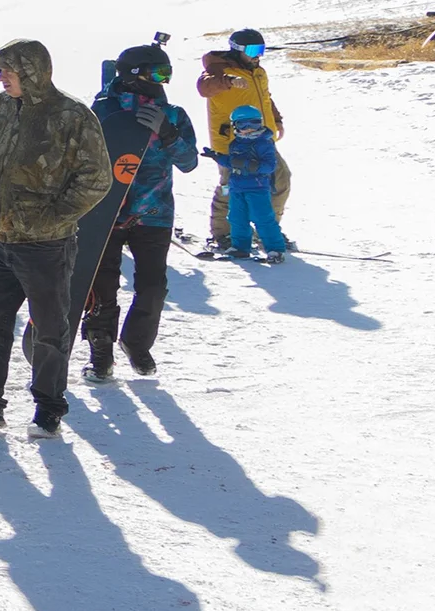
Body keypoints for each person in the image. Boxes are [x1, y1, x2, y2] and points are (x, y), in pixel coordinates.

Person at [0, 39, 112, 438]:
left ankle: (48, 407)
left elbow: (97, 179)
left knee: (49, 329)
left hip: (46, 245)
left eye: (8, 70)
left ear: (32, 70)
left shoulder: (71, 115)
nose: (0, 77)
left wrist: (53, 217)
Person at [82, 45, 198, 382]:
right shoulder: (102, 109)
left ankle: (136, 343)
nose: (163, 81)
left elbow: (189, 162)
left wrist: (168, 134)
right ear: (132, 74)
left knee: (153, 287)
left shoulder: (173, 114)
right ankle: (100, 354)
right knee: (102, 289)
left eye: (167, 74)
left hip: (154, 212)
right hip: (107, 211)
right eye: (158, 73)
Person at [197, 28, 290, 249]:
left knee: (280, 179)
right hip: (232, 143)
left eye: (261, 50)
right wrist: (228, 80)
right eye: (253, 50)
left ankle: (267, 229)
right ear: (238, 50)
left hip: (262, 139)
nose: (258, 55)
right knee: (232, 187)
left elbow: (265, 98)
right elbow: (205, 87)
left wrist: (276, 120)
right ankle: (223, 234)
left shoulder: (259, 73)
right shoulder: (218, 69)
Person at [201, 106, 288, 262]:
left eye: (253, 124)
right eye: (243, 125)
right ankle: (240, 247)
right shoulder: (235, 144)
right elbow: (231, 162)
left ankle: (275, 249)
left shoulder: (264, 143)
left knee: (262, 218)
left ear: (260, 124)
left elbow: (269, 166)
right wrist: (217, 156)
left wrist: (249, 165)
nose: (248, 129)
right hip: (237, 187)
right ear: (235, 126)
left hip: (257, 188)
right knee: (236, 217)